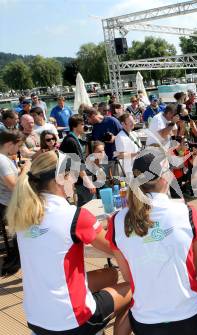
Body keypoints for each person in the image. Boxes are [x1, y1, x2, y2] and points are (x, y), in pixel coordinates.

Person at [5, 151, 132, 334]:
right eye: (72, 174)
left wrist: (97, 225)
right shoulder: (74, 216)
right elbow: (115, 248)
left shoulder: (24, 214)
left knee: (110, 274)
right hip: (72, 321)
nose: (75, 179)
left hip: (36, 318)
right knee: (133, 288)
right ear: (61, 178)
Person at [105, 148, 197, 335]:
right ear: (165, 177)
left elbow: (130, 278)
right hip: (191, 320)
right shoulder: (187, 213)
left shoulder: (116, 221)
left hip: (146, 325)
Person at [0, 130, 27, 275]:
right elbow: (15, 186)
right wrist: (25, 170)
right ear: (10, 144)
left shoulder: (5, 158)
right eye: (18, 146)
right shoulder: (2, 160)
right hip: (10, 204)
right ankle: (19, 260)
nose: (19, 149)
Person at [59, 114, 97, 206]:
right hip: (78, 180)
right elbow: (78, 164)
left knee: (82, 205)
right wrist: (88, 182)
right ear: (75, 127)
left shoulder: (72, 139)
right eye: (82, 124)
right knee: (91, 204)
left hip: (76, 179)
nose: (84, 126)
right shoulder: (71, 141)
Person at [115, 113, 141, 177]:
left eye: (133, 121)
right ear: (123, 124)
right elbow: (120, 155)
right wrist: (136, 154)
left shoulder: (134, 133)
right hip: (129, 170)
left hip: (138, 167)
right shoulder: (120, 137)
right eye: (130, 122)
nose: (132, 123)